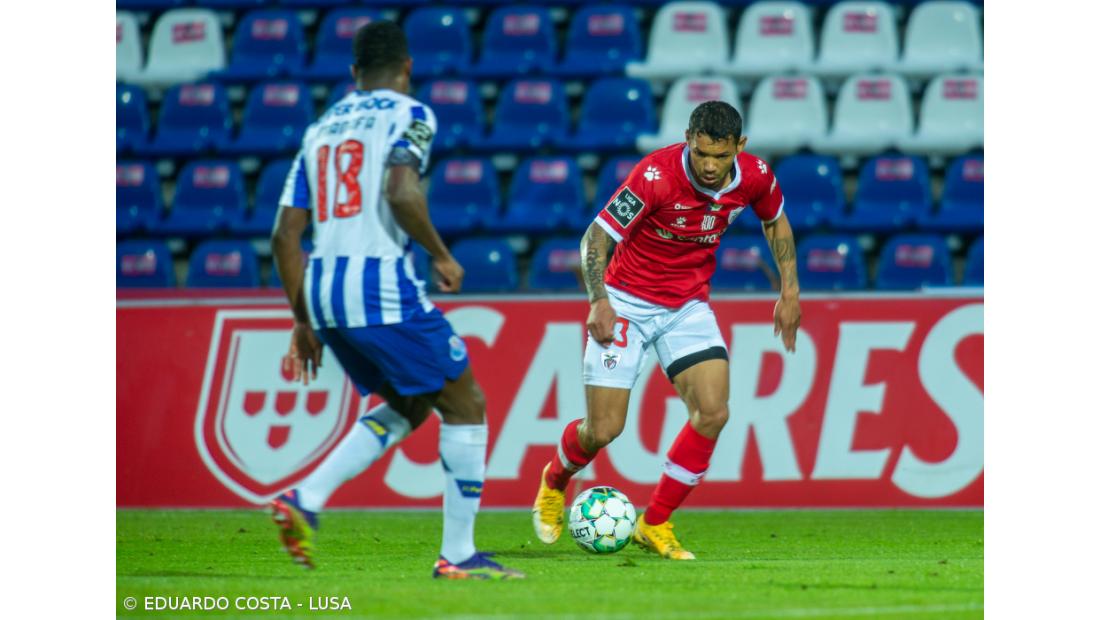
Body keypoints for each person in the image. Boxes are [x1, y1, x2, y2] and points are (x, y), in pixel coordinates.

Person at [268, 21, 523, 580]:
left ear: (354, 74)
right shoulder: (411, 114)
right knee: (467, 403)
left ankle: (305, 498)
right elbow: (400, 189)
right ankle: (457, 556)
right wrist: (441, 254)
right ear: (407, 68)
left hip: (324, 295)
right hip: (378, 288)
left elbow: (285, 236)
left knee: (412, 404)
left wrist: (303, 321)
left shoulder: (320, 130)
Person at [532, 101, 802, 560]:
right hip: (625, 303)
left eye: (721, 156)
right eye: (702, 154)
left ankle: (654, 522)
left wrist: (790, 292)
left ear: (740, 147)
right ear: (688, 140)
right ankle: (555, 479)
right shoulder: (654, 175)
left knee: (714, 413)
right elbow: (595, 238)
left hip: (686, 307)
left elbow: (774, 220)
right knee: (603, 429)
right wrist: (599, 299)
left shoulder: (755, 175)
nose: (711, 166)